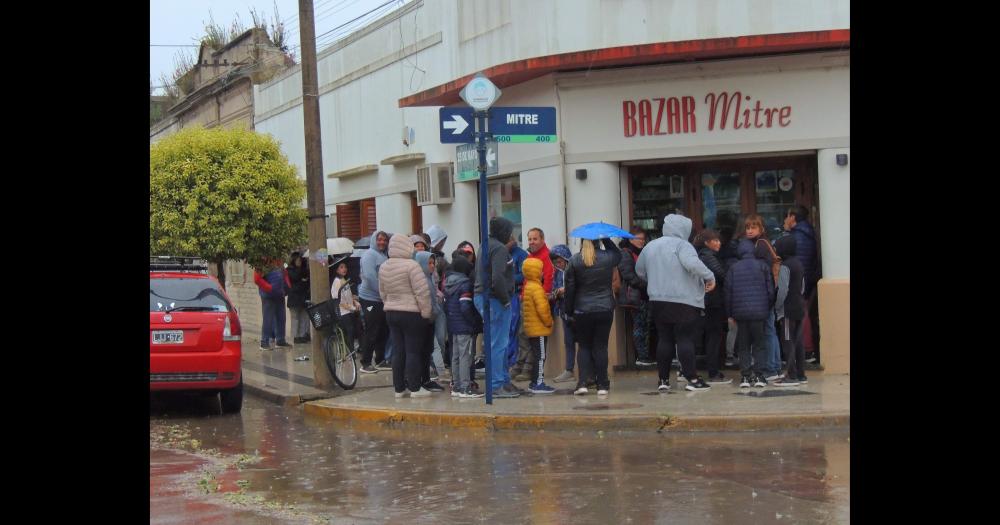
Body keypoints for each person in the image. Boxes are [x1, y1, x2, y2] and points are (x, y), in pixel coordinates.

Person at [636, 215, 716, 392]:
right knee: (684, 338)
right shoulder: (683, 245)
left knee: (665, 339)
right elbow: (691, 264)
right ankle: (692, 379)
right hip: (683, 300)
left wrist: (656, 279)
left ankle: (663, 380)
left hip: (658, 299)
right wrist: (709, 276)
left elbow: (640, 271)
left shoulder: (651, 246)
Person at [564, 236, 622, 395]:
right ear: (598, 242)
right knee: (601, 346)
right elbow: (619, 255)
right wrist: (607, 240)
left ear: (582, 242)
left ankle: (582, 382)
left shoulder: (575, 260)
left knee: (584, 346)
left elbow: (569, 288)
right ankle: (602, 384)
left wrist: (568, 311)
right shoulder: (608, 257)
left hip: (582, 310)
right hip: (604, 308)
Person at [378, 234, 433, 398]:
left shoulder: (384, 266)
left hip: (391, 312)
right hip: (411, 314)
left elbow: (382, 292)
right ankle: (415, 388)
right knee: (413, 351)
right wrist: (426, 312)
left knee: (398, 351)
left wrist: (389, 304)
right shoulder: (412, 266)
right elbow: (422, 292)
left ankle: (399, 388)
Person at [473, 217, 519, 398]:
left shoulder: (484, 245)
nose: (510, 235)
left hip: (484, 298)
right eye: (508, 231)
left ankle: (503, 381)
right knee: (498, 344)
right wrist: (506, 300)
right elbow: (497, 278)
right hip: (495, 300)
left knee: (499, 343)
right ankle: (496, 385)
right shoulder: (499, 248)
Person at [724, 236, 776, 388]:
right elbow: (770, 291)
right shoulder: (763, 266)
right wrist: (767, 307)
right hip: (759, 314)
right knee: (759, 344)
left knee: (743, 345)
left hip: (740, 314)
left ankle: (745, 377)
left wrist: (730, 313)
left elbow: (728, 293)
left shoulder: (733, 268)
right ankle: (759, 376)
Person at [741, 214, 783, 380]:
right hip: (770, 293)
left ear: (761, 228)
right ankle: (776, 366)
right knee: (770, 330)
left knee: (767, 331)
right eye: (747, 227)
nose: (750, 231)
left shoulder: (760, 245)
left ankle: (770, 368)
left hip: (765, 295)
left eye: (753, 227)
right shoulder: (764, 243)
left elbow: (762, 273)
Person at [512, 228, 553, 379]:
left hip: (537, 300)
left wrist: (543, 297)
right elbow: (525, 280)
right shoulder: (529, 256)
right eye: (529, 239)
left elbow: (548, 279)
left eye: (535, 239)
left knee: (534, 338)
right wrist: (523, 295)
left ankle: (528, 369)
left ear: (542, 239)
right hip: (527, 300)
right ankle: (521, 365)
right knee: (523, 334)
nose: (532, 242)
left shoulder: (546, 256)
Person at [783, 205, 820, 363]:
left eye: (787, 216)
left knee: (800, 315)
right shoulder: (806, 233)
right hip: (807, 278)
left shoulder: (796, 237)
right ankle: (807, 350)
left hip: (799, 281)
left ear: (792, 218)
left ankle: (806, 350)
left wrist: (785, 232)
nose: (785, 219)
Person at [693, 229, 731, 384]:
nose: (718, 243)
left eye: (719, 240)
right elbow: (722, 274)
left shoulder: (705, 255)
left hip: (709, 301)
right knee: (713, 336)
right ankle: (713, 372)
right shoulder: (707, 256)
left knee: (710, 336)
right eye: (714, 240)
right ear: (706, 243)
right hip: (712, 302)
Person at [443, 256, 483, 398]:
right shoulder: (465, 284)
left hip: (453, 325)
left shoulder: (447, 283)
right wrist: (473, 322)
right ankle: (466, 387)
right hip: (465, 326)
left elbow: (446, 306)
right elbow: (465, 307)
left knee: (456, 356)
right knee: (466, 356)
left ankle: (457, 385)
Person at [773, 235, 806, 385]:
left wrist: (777, 306)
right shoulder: (799, 263)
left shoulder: (785, 266)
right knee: (798, 341)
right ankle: (801, 374)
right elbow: (803, 286)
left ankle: (790, 376)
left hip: (787, 310)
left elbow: (783, 289)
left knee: (787, 341)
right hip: (799, 307)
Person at [617, 227, 653, 367]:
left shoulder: (641, 252)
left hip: (644, 296)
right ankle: (641, 356)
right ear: (630, 239)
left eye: (643, 239)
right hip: (635, 296)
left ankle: (645, 355)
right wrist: (646, 285)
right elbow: (629, 276)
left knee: (645, 325)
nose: (642, 241)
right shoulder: (626, 253)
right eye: (639, 238)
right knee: (639, 326)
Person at [522, 257, 556, 394]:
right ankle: (538, 382)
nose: (542, 273)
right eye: (540, 271)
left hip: (532, 329)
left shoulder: (528, 287)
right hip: (539, 329)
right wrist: (549, 322)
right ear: (535, 272)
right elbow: (542, 309)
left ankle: (534, 381)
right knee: (541, 356)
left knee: (537, 355)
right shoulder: (537, 288)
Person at [358, 231, 391, 371]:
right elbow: (370, 278)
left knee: (382, 330)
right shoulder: (369, 256)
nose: (382, 242)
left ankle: (380, 359)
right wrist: (383, 293)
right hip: (369, 300)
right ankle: (365, 363)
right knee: (371, 330)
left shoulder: (383, 255)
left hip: (381, 299)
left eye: (384, 240)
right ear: (374, 240)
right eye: (379, 240)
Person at [414, 251, 446, 392]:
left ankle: (425, 379)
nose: (432, 266)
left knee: (428, 350)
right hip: (423, 320)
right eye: (429, 263)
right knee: (423, 350)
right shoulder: (421, 280)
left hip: (430, 318)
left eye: (434, 263)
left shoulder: (431, 278)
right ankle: (421, 380)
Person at [548, 245, 577, 383]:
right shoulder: (557, 273)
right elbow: (553, 289)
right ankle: (569, 370)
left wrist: (566, 289)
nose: (557, 264)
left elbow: (580, 286)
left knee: (584, 343)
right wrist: (555, 293)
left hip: (577, 312)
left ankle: (588, 371)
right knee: (569, 341)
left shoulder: (575, 269)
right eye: (555, 262)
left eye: (560, 261)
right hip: (564, 312)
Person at [254, 259, 292, 350]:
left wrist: (287, 286)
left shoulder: (279, 261)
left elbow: (284, 273)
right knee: (268, 319)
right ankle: (264, 342)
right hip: (268, 295)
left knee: (281, 317)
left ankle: (280, 340)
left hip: (279, 293)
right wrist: (269, 288)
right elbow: (257, 279)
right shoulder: (262, 262)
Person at [331, 255, 360, 368]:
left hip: (350, 312)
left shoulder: (344, 280)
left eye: (345, 267)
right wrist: (352, 307)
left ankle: (352, 352)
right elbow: (340, 300)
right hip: (343, 313)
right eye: (341, 267)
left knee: (352, 333)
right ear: (337, 270)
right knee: (348, 333)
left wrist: (355, 302)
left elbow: (348, 295)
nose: (344, 269)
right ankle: (350, 353)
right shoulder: (337, 282)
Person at [286, 251, 311, 344]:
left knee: (304, 316)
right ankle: (296, 336)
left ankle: (303, 335)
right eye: (297, 260)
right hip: (294, 298)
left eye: (300, 260)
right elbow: (295, 277)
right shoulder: (289, 270)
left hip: (303, 297)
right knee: (295, 318)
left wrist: (303, 280)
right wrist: (302, 280)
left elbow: (307, 280)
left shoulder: (304, 270)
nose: (299, 262)